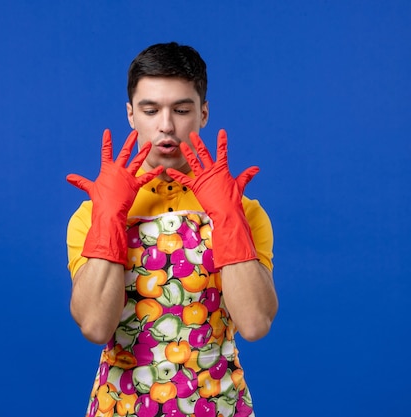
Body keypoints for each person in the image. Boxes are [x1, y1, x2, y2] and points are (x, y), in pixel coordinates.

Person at [66, 42, 278, 417]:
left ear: (204, 113)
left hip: (217, 405)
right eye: (151, 110)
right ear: (131, 115)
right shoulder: (92, 214)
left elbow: (256, 323)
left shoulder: (242, 209)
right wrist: (109, 217)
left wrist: (227, 216)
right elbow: (96, 326)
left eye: (181, 110)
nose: (166, 125)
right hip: (123, 407)